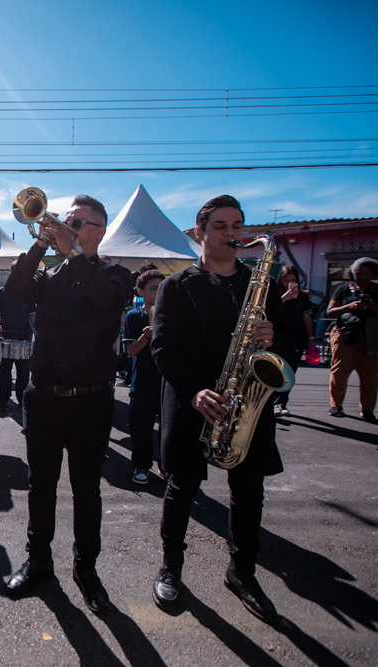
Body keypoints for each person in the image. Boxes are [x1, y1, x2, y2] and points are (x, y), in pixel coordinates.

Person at [149, 195, 291, 623]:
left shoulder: (260, 284)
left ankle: (242, 573)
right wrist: (195, 392)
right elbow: (162, 347)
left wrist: (272, 338)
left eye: (237, 226)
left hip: (246, 402)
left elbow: (288, 344)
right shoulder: (176, 286)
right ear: (200, 233)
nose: (232, 234)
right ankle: (171, 568)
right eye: (221, 226)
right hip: (194, 402)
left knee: (248, 494)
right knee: (181, 489)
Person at [2, 194, 131, 614]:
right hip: (43, 397)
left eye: (76, 223)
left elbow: (106, 303)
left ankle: (85, 567)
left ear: (99, 231)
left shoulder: (116, 275)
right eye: (67, 221)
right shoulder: (50, 273)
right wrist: (40, 244)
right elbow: (14, 292)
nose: (66, 227)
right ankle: (38, 559)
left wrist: (71, 251)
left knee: (86, 490)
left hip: (90, 402)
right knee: (40, 485)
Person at [325, 257, 378, 421]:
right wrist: (349, 307)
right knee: (339, 371)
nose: (363, 276)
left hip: (372, 336)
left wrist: (373, 306)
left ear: (373, 274)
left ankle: (367, 409)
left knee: (369, 375)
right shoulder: (343, 289)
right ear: (352, 273)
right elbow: (330, 312)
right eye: (359, 273)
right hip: (345, 335)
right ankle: (336, 404)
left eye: (367, 273)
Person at [123, 269, 165, 485]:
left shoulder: (172, 315)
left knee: (168, 430)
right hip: (142, 382)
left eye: (162, 288)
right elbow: (131, 351)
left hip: (168, 382)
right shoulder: (134, 316)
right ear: (140, 291)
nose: (158, 293)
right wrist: (146, 336)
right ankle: (141, 465)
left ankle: (165, 465)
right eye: (153, 289)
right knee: (141, 428)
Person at [0, 260, 35, 412]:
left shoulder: (28, 292)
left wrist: (37, 329)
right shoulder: (2, 292)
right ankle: (3, 401)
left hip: (24, 338)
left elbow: (32, 315)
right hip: (6, 337)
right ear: (10, 273)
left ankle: (22, 402)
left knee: (23, 375)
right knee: (4, 374)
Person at [272, 266, 315, 417]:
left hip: (298, 338)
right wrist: (284, 298)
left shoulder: (302, 296)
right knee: (276, 371)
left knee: (290, 373)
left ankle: (281, 403)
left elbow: (307, 318)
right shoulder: (274, 293)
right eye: (286, 280)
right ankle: (272, 403)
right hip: (277, 338)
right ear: (281, 280)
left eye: (293, 280)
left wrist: (311, 338)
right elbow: (268, 310)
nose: (289, 283)